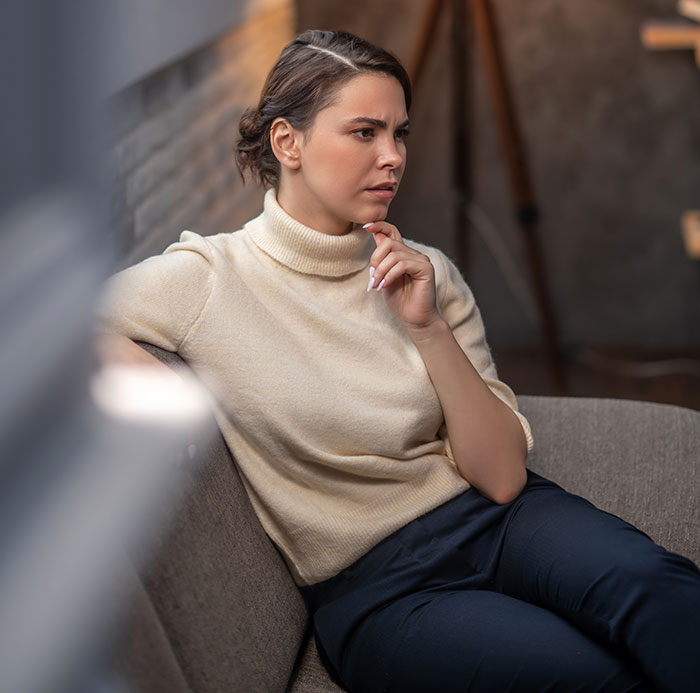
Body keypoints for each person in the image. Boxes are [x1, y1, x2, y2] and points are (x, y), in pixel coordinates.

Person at [97, 29, 700, 692]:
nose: (392, 157)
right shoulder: (208, 279)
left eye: (400, 133)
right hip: (380, 590)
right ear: (286, 142)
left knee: (663, 591)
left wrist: (428, 327)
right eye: (364, 132)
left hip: (498, 519)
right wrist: (131, 362)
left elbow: (501, 478)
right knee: (592, 678)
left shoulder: (428, 271)